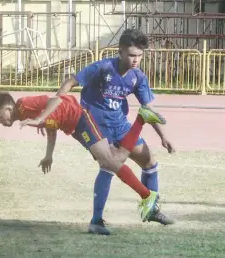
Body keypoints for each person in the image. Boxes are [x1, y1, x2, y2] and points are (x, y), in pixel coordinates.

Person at [54, 28, 175, 235]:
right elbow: (71, 81)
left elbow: (148, 109)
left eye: (139, 55)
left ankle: (151, 209)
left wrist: (163, 136)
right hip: (95, 125)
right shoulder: (103, 68)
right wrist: (56, 105)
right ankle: (96, 221)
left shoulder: (138, 77)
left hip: (120, 125)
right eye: (131, 55)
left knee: (150, 162)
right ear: (120, 52)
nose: (136, 60)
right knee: (110, 165)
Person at [0, 91, 167, 226]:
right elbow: (51, 126)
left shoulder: (23, 105)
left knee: (111, 162)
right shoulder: (25, 114)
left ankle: (146, 194)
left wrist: (38, 118)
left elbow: (55, 100)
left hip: (81, 119)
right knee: (112, 161)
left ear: (7, 108)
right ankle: (139, 198)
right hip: (75, 128)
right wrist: (49, 155)